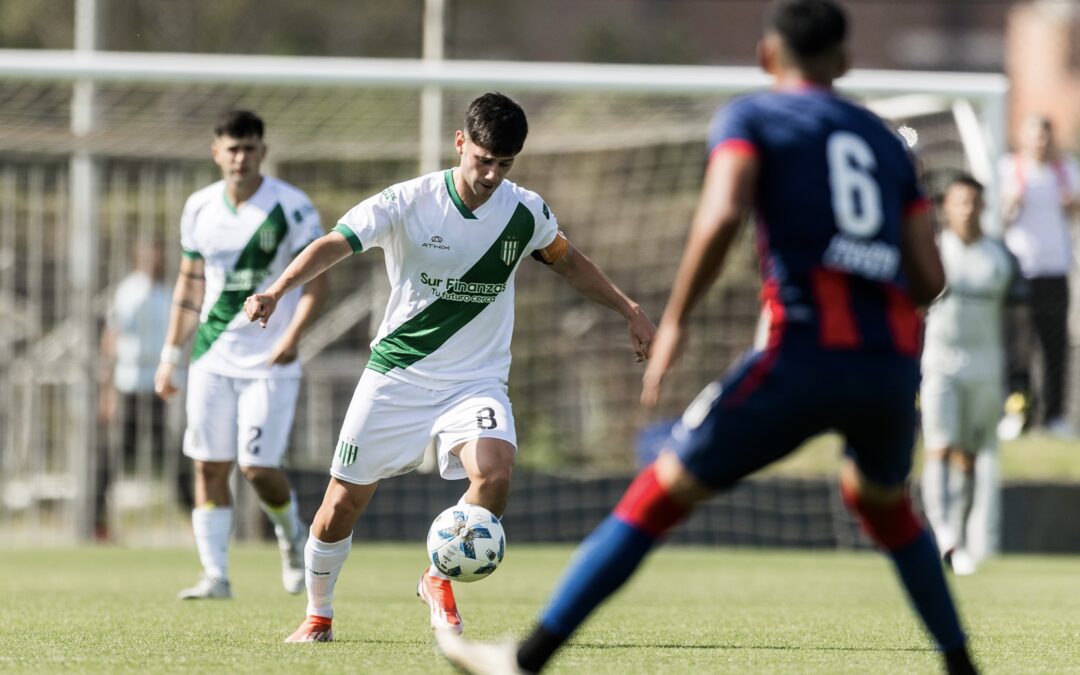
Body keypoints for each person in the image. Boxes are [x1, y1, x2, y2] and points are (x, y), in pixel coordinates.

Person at [437, 2, 977, 673]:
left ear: (766, 57)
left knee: (659, 493)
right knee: (886, 507)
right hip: (889, 368)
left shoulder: (753, 117)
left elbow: (723, 213)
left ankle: (528, 657)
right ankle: (962, 665)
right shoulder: (886, 142)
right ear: (844, 63)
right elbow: (929, 278)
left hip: (801, 356)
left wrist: (679, 322)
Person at [243, 92, 656, 643]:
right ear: (460, 143)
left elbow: (569, 262)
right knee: (340, 504)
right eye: (483, 159)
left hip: (475, 381)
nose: (490, 174)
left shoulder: (524, 211)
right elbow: (334, 244)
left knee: (497, 475)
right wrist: (275, 290)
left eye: (503, 164)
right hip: (398, 375)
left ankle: (437, 575)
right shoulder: (407, 201)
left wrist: (629, 309)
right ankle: (318, 613)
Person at [154, 109, 327, 600]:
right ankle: (216, 575)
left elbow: (319, 281)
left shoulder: (292, 208)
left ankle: (291, 537)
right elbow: (189, 284)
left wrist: (293, 336)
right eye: (231, 148)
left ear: (262, 152)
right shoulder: (199, 208)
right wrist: (170, 354)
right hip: (211, 354)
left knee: (257, 467)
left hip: (271, 360)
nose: (240, 158)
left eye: (249, 148)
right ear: (216, 153)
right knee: (208, 465)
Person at [920, 175, 1014, 577]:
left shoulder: (999, 257)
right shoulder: (934, 252)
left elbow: (1019, 320)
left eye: (974, 202)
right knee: (939, 445)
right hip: (940, 364)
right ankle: (943, 536)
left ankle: (957, 539)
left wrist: (1021, 377)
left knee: (968, 456)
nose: (968, 210)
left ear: (984, 207)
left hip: (985, 368)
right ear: (947, 208)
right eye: (960, 202)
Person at [997, 114, 1079, 437]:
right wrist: (1011, 201)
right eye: (1034, 136)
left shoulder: (1066, 171)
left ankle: (1055, 415)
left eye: (1045, 136)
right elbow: (995, 216)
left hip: (1055, 270)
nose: (1040, 142)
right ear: (1023, 137)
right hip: (1019, 271)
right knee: (1018, 348)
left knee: (1055, 346)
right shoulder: (1008, 169)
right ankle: (1018, 411)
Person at [97, 236, 182, 540]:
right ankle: (97, 521)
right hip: (129, 386)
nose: (157, 260)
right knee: (113, 457)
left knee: (172, 457)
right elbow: (111, 339)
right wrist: (107, 392)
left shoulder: (165, 291)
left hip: (156, 387)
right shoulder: (129, 291)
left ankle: (197, 521)